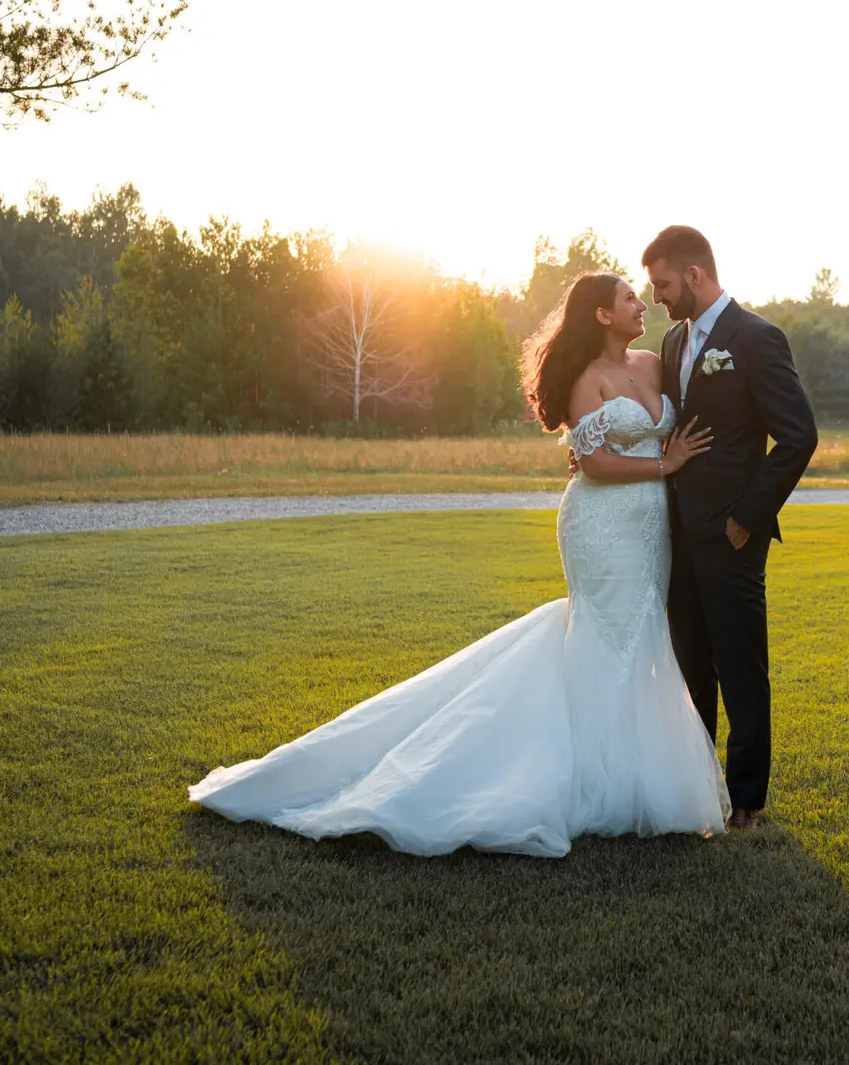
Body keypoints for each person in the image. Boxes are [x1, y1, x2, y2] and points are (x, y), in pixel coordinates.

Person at [189, 273, 727, 857]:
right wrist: (663, 468)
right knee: (604, 634)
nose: (640, 303)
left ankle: (633, 777)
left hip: (650, 530)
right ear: (600, 314)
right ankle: (587, 779)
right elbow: (593, 464)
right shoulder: (587, 380)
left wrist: (674, 467)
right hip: (601, 526)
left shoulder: (654, 363)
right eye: (628, 296)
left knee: (644, 630)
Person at [641, 226, 819, 829]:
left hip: (731, 534)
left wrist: (748, 518)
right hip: (677, 534)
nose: (658, 297)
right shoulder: (671, 342)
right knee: (692, 667)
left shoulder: (758, 338)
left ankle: (747, 799)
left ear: (694, 276)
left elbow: (798, 437)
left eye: (664, 284)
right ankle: (698, 786)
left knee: (740, 666)